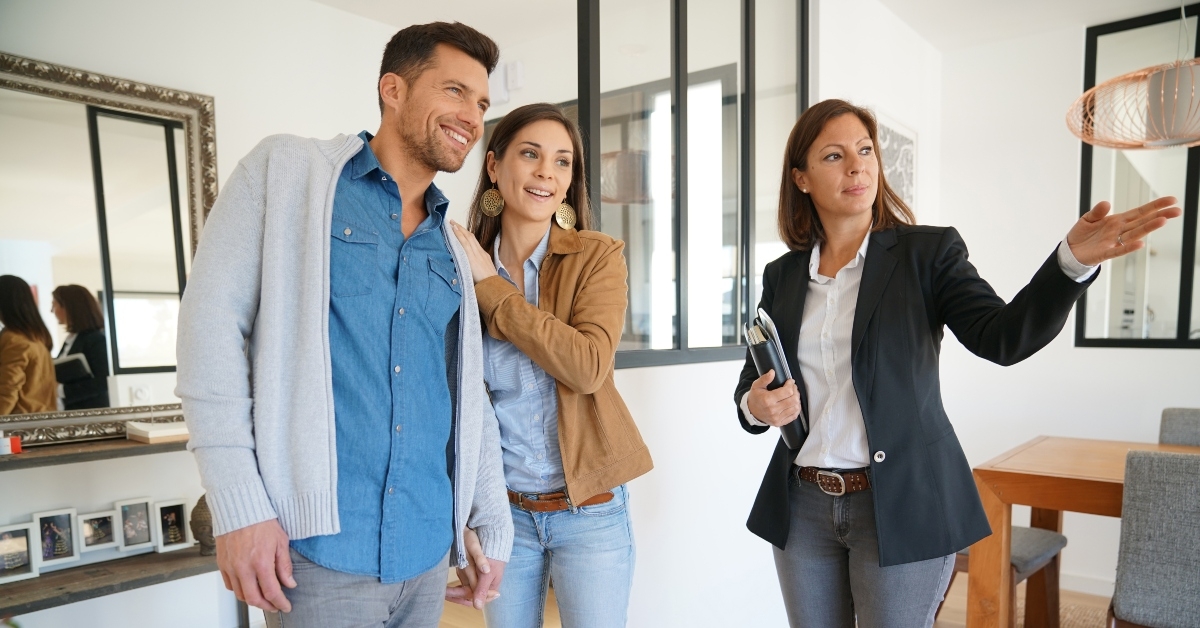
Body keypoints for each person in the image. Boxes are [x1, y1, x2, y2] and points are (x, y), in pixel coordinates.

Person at [733, 99, 1181, 628]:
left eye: (865, 151)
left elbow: (1004, 338)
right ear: (801, 179)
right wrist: (755, 405)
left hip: (900, 502)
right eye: (834, 155)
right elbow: (752, 383)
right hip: (803, 505)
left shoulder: (927, 254)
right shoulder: (782, 276)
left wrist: (1071, 264)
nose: (857, 166)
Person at [175, 22, 513, 627]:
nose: (472, 114)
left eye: (482, 102)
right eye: (455, 91)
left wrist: (488, 519)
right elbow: (209, 334)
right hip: (317, 556)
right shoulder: (286, 174)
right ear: (393, 90)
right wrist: (238, 507)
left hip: (427, 553)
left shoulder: (456, 248)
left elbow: (467, 400)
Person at [446, 103, 653, 628]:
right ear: (494, 166)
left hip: (591, 512)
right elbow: (453, 400)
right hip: (503, 517)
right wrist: (462, 518)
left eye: (562, 162)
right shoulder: (456, 265)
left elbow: (586, 366)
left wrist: (492, 290)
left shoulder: (597, 257)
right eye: (531, 155)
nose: (546, 172)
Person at [0, 275, 56, 415]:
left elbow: (7, 390)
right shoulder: (36, 336)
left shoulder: (15, 339)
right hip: (38, 419)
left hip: (19, 424)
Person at [50, 285, 110, 409]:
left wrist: (61, 390)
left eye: (54, 305)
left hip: (90, 417)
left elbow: (103, 381)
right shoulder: (72, 339)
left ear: (69, 307)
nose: (52, 310)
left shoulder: (96, 339)